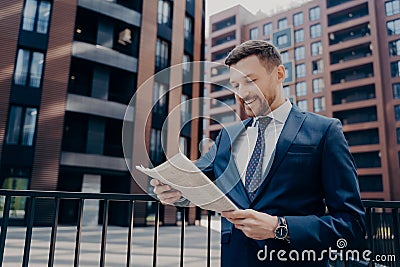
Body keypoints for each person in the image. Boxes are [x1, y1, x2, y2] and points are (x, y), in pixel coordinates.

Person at [150, 40, 366, 266]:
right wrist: (175, 190)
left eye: (251, 81)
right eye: (236, 85)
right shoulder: (227, 137)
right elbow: (197, 180)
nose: (242, 93)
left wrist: (279, 227)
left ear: (280, 74)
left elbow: (351, 223)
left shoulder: (324, 131)